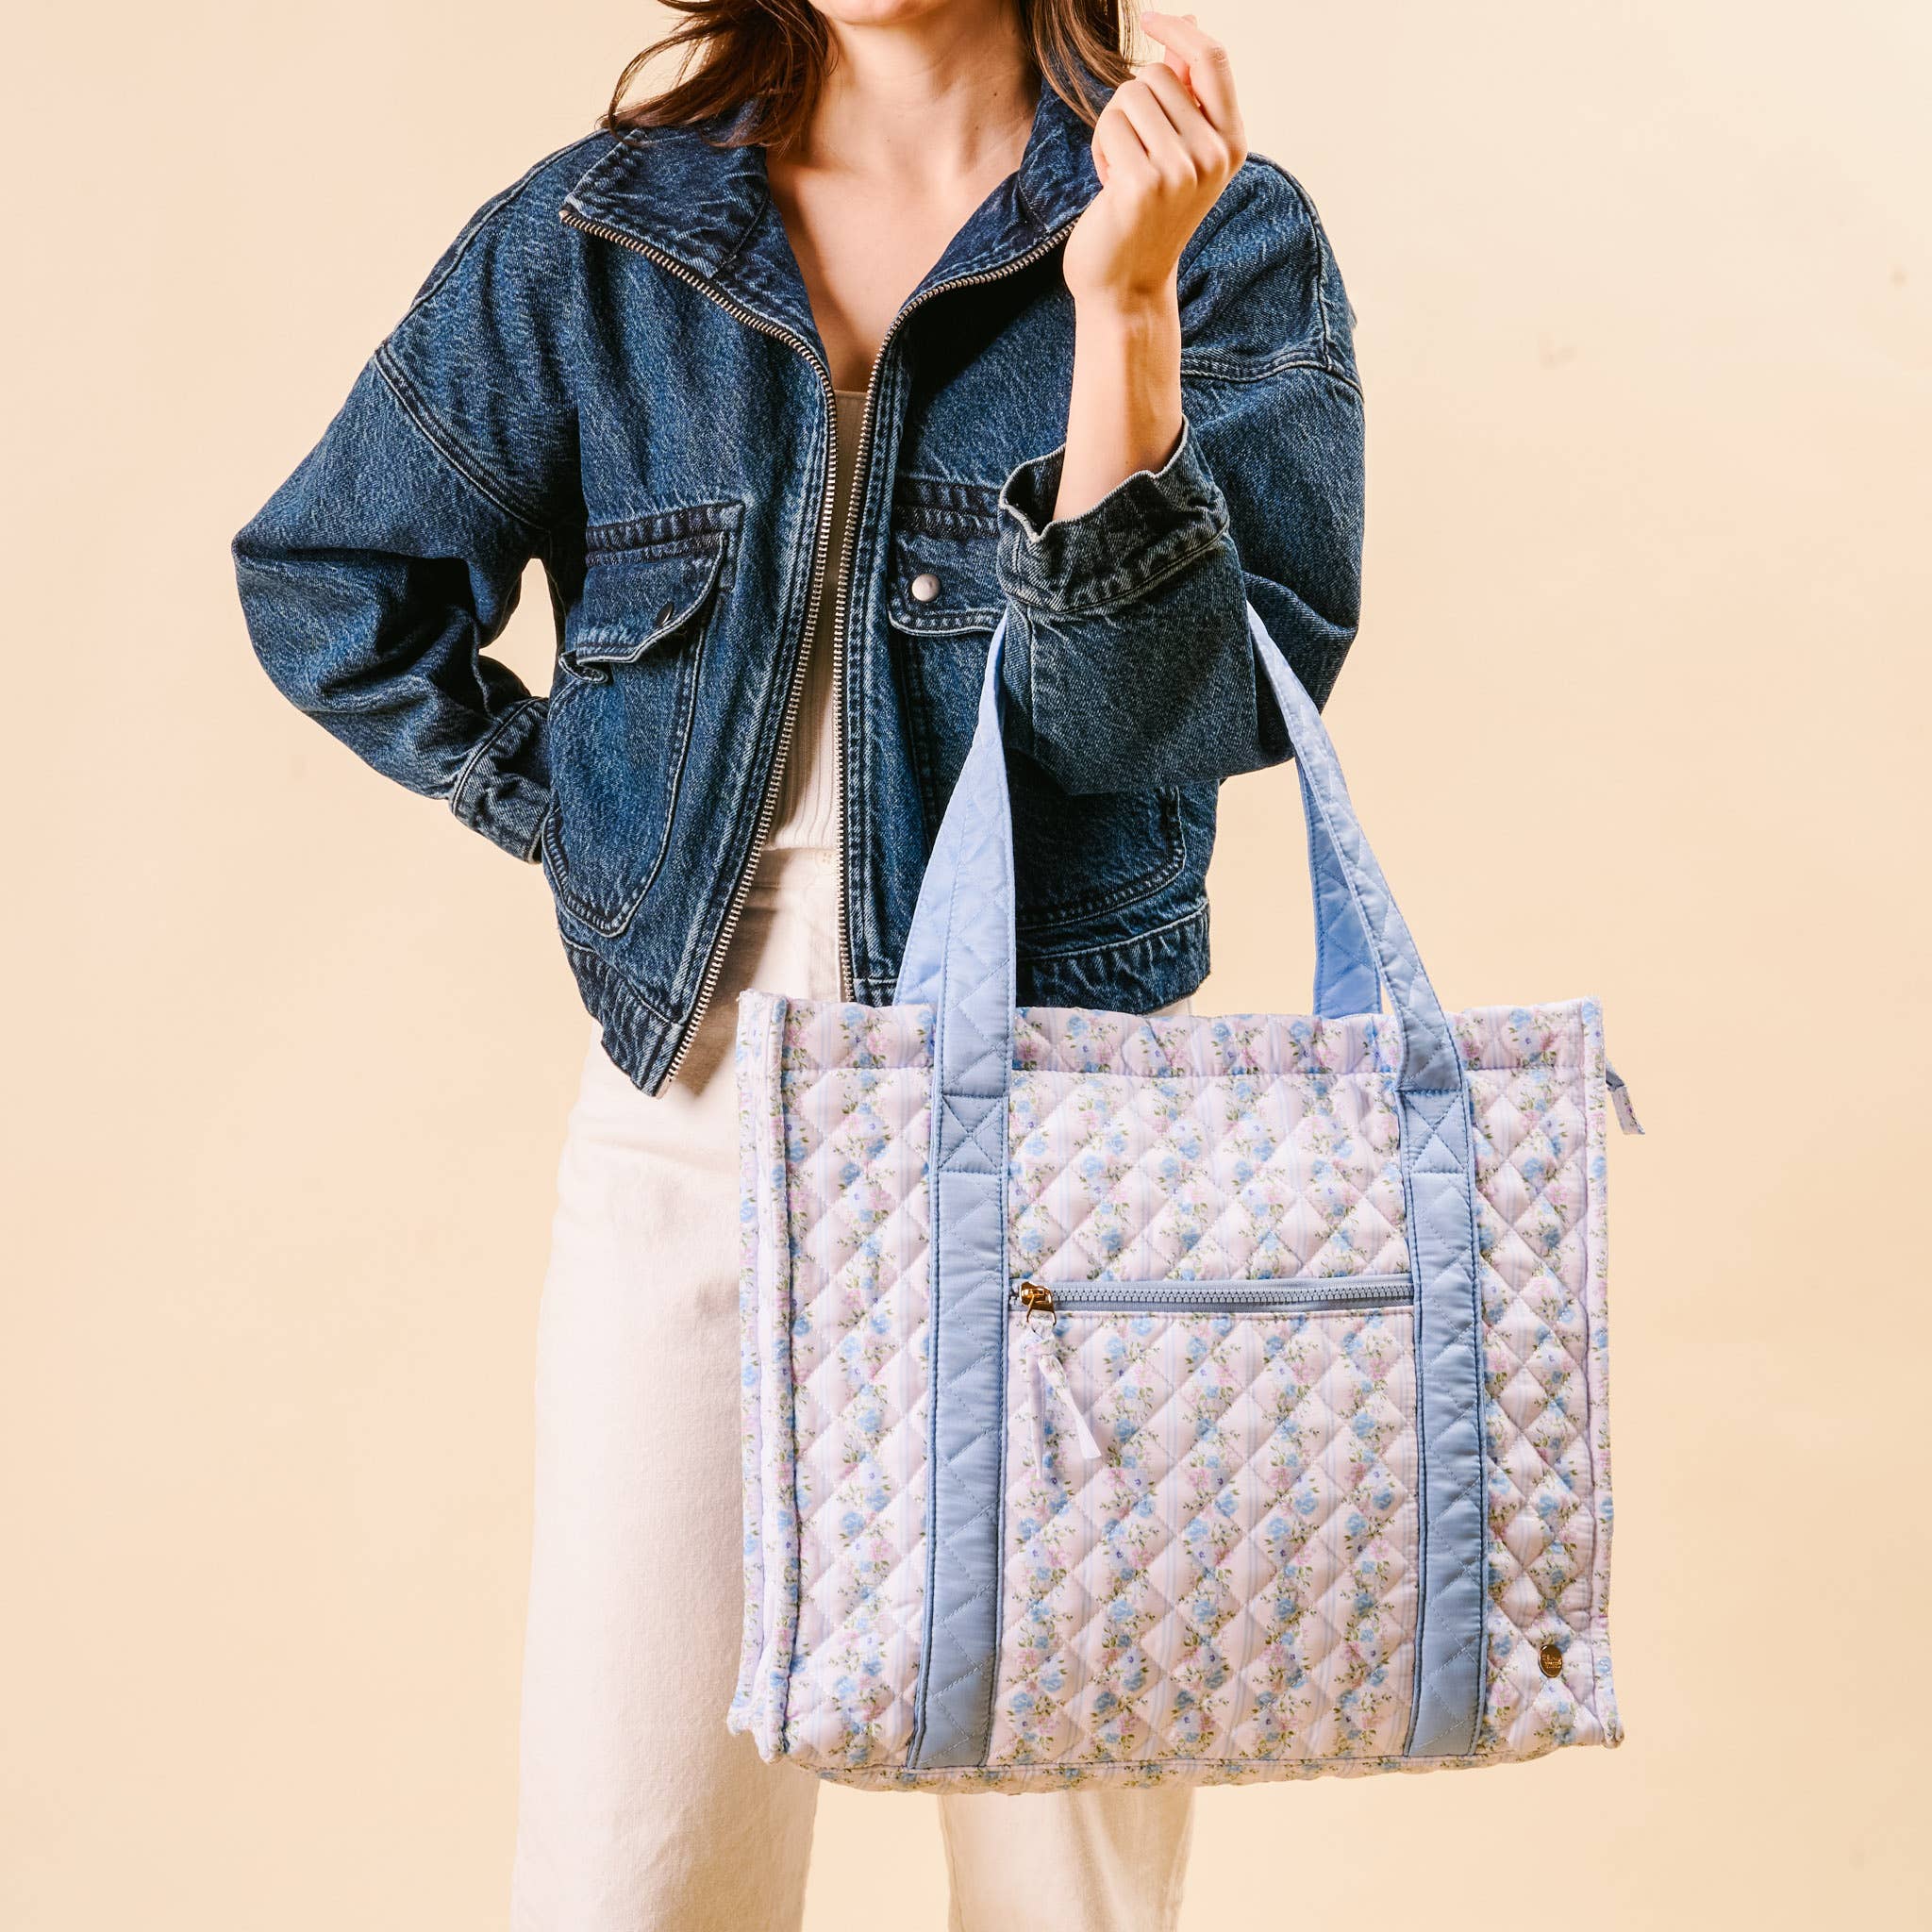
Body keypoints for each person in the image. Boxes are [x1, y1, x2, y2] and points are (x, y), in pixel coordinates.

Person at [233, 3, 1365, 1925]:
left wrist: (1124, 307)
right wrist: (590, 826)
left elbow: (1150, 724)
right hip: (693, 1147)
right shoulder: (599, 240)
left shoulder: (1226, 237)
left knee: (1067, 1887)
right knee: (635, 1870)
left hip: (1068, 1173)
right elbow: (334, 579)